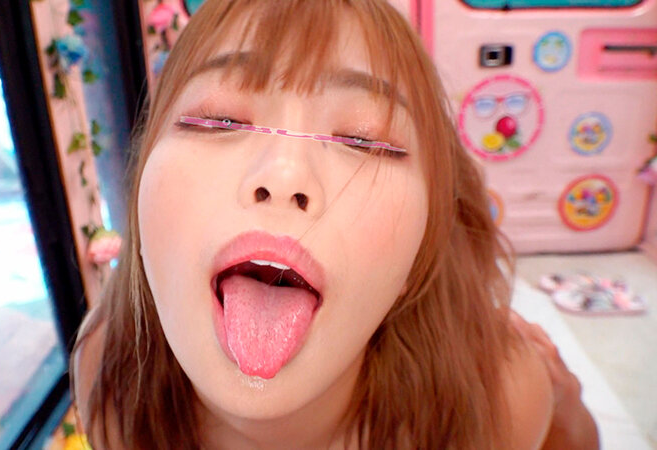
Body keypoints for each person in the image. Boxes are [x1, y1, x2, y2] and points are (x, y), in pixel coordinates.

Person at [71, 0, 599, 448]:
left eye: (364, 140)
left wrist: (566, 412)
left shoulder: (500, 402)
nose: (284, 174)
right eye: (220, 119)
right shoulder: (108, 377)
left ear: (423, 248)